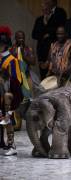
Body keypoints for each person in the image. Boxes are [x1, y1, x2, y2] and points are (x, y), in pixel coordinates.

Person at [0, 26, 24, 156]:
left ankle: (11, 145)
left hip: (7, 95)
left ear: (4, 45)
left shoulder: (12, 60)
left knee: (7, 119)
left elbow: (16, 80)